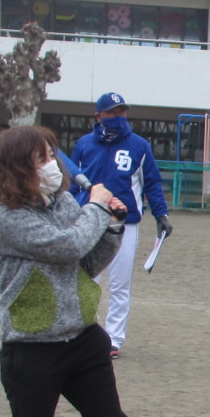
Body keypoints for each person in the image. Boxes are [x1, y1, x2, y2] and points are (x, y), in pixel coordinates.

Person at [0, 126, 182, 417]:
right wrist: (96, 207)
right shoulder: (4, 216)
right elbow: (66, 246)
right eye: (41, 158)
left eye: (51, 155)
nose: (51, 164)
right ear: (18, 167)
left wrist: (111, 224)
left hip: (83, 340)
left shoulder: (63, 200)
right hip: (30, 346)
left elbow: (87, 263)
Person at [71, 92, 171, 357]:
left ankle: (113, 339)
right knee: (85, 280)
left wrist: (161, 215)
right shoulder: (83, 145)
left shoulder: (139, 146)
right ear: (98, 116)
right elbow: (72, 185)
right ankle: (82, 332)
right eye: (112, 112)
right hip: (88, 220)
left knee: (120, 284)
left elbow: (152, 183)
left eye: (121, 112)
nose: (118, 117)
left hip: (125, 223)